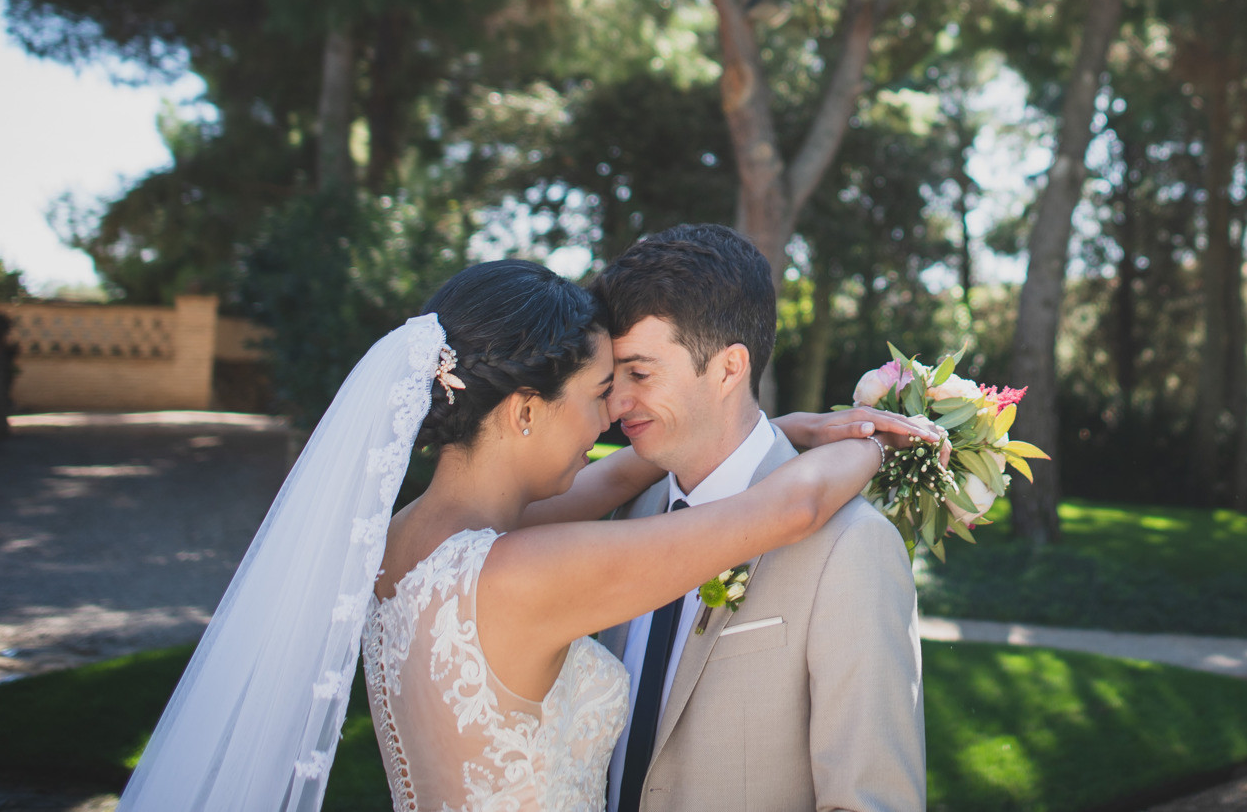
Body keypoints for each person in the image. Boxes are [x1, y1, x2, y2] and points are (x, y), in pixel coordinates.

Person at [117, 258, 940, 812]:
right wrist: (876, 439)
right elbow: (786, 514)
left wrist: (772, 429)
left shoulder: (394, 547)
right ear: (520, 409)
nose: (612, 416)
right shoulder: (525, 570)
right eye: (597, 392)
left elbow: (613, 475)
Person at [577, 224, 929, 812]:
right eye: (614, 378)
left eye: (639, 374)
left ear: (728, 368)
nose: (616, 404)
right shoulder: (626, 512)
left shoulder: (852, 547)